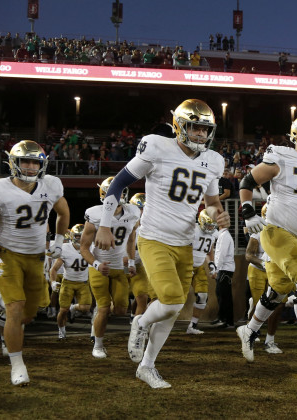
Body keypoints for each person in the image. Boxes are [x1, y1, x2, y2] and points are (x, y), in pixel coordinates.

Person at [95, 99, 229, 389]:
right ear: (180, 125)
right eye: (195, 128)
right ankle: (140, 322)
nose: (201, 136)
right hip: (154, 237)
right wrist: (105, 224)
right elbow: (118, 184)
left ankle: (147, 366)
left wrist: (218, 214)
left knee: (173, 306)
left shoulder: (213, 161)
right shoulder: (156, 146)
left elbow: (211, 202)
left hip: (185, 241)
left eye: (205, 130)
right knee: (169, 299)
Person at [0, 140, 70, 386]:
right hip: (8, 254)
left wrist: (58, 239)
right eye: (24, 161)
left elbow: (64, 212)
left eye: (35, 161)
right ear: (13, 163)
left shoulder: (51, 185)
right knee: (17, 309)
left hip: (36, 258)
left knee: (27, 315)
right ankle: (17, 364)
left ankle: (1, 312)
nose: (29, 166)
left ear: (42, 164)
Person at [237, 113, 297, 366]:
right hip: (276, 230)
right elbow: (248, 181)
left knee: (279, 290)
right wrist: (247, 212)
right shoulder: (281, 155)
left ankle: (249, 330)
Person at [81, 176, 141, 359]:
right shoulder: (94, 214)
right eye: (113, 192)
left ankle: (97, 317)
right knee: (104, 307)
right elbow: (84, 247)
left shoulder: (133, 212)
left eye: (121, 191)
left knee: (121, 310)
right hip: (100, 266)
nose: (118, 195)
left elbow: (131, 240)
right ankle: (98, 344)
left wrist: (131, 262)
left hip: (119, 266)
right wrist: (97, 264)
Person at [244, 203, 284, 354]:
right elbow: (248, 255)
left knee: (279, 305)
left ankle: (270, 340)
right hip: (258, 270)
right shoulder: (258, 230)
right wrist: (263, 263)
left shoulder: (283, 229)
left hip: (276, 269)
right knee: (260, 302)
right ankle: (250, 331)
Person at [50, 224, 91, 340]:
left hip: (83, 283)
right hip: (68, 282)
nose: (79, 239)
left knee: (85, 308)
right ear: (72, 236)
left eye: (82, 236)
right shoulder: (65, 248)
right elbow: (54, 269)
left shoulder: (91, 247)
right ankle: (61, 331)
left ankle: (73, 308)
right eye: (77, 236)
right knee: (63, 310)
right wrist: (53, 282)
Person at [186, 210, 217, 335]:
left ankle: (192, 325)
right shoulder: (192, 229)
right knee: (175, 298)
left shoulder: (213, 234)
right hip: (185, 266)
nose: (210, 228)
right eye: (208, 224)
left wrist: (212, 265)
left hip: (199, 267)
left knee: (203, 296)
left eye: (212, 225)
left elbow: (209, 252)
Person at [213, 211, 235, 328]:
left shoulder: (224, 236)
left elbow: (221, 254)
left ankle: (226, 320)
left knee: (224, 295)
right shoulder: (223, 235)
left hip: (224, 269)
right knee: (222, 294)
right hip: (224, 269)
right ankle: (223, 318)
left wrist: (217, 269)